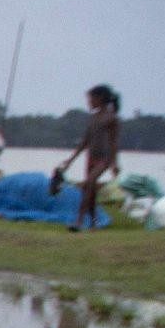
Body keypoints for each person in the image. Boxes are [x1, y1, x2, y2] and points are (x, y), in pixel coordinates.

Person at [52, 85, 122, 232]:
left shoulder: (111, 118)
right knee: (90, 190)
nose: (89, 102)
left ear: (100, 98)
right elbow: (85, 141)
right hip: (91, 157)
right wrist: (70, 160)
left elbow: (114, 142)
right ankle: (94, 223)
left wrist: (115, 163)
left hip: (105, 159)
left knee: (89, 183)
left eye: (91, 99)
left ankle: (78, 221)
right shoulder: (93, 118)